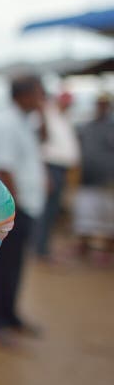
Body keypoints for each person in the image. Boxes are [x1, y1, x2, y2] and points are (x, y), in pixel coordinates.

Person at [0, 75, 46, 348]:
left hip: (26, 204)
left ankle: (10, 315)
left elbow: (40, 144)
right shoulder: (6, 122)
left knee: (15, 265)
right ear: (25, 94)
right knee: (3, 267)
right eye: (40, 93)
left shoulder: (22, 120)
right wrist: (12, 210)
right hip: (12, 208)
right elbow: (4, 167)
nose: (43, 99)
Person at [33, 91, 80, 261]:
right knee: (46, 210)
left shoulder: (64, 118)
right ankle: (40, 249)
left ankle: (42, 246)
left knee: (52, 210)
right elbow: (40, 147)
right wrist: (45, 175)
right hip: (50, 168)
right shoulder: (47, 115)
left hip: (61, 168)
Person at [70, 93, 114, 265]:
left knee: (109, 219)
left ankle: (108, 252)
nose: (101, 107)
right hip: (87, 180)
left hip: (109, 182)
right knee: (85, 217)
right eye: (99, 104)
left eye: (104, 104)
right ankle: (84, 248)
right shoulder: (86, 127)